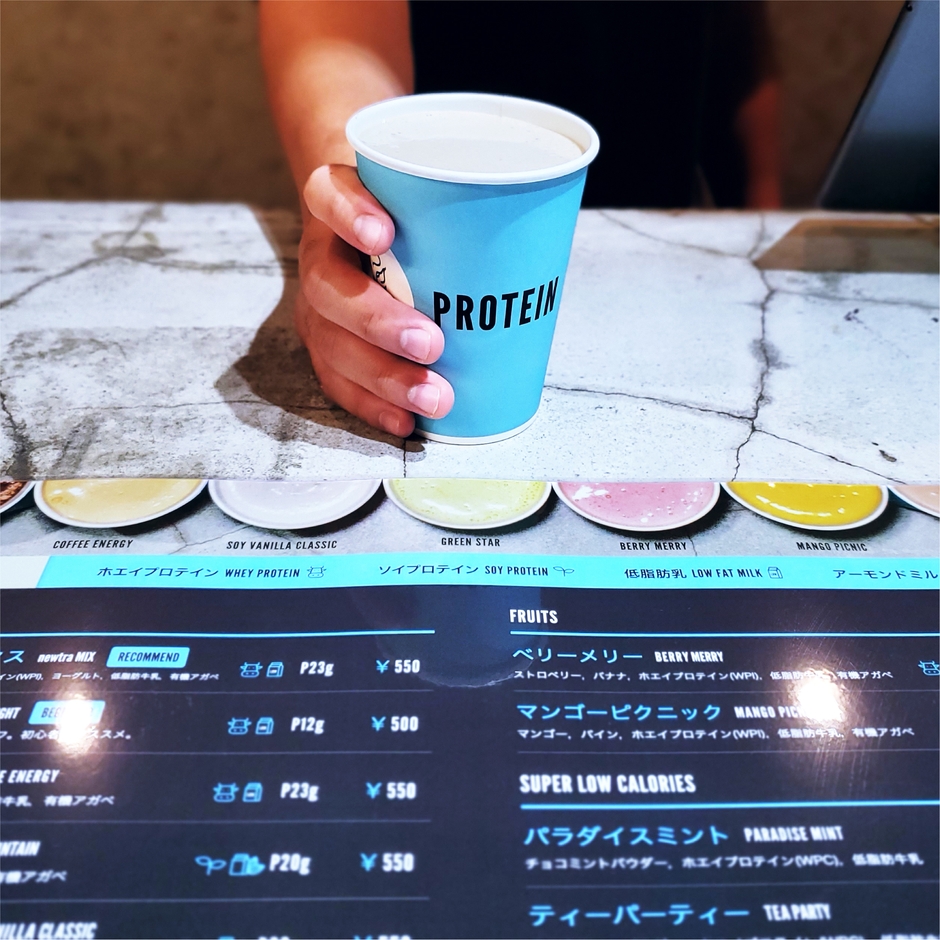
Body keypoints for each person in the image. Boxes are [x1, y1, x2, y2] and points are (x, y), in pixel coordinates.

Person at [259, 1, 781, 437]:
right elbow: (336, 32)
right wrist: (348, 207)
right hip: (430, 196)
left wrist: (764, 198)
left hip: (665, 244)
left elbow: (736, 27)